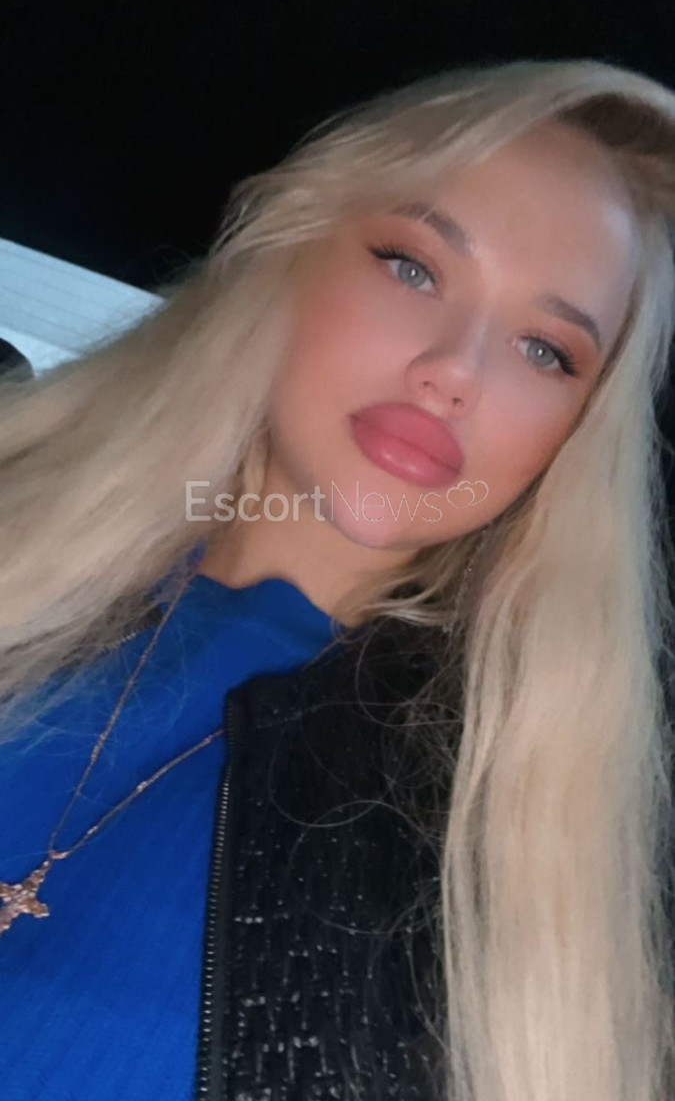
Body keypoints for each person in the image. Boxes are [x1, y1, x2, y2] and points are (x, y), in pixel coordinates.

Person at [0, 57, 674, 1101]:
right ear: (283, 243)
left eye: (546, 349)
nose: (455, 369)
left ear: (579, 435)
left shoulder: (502, 864)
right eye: (413, 267)